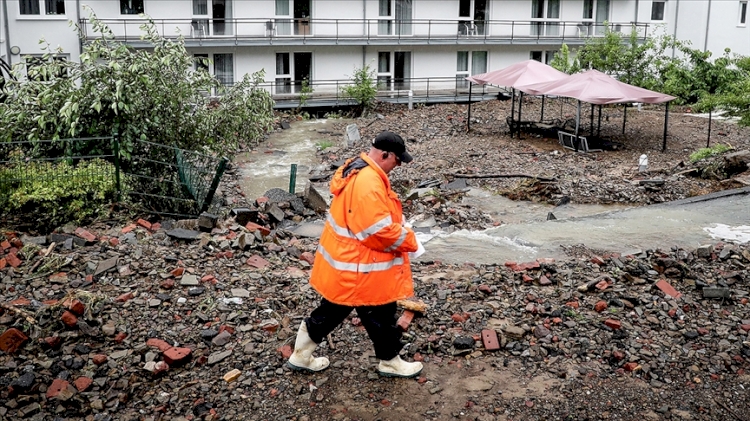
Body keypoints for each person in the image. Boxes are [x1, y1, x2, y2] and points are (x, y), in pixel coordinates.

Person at [288, 131, 423, 378]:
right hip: (361, 266)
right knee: (379, 311)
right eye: (398, 160)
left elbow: (365, 221)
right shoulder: (369, 183)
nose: (399, 165)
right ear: (385, 155)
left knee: (334, 311)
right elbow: (378, 232)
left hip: (348, 264)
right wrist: (411, 239)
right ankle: (390, 361)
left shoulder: (358, 170)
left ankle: (301, 355)